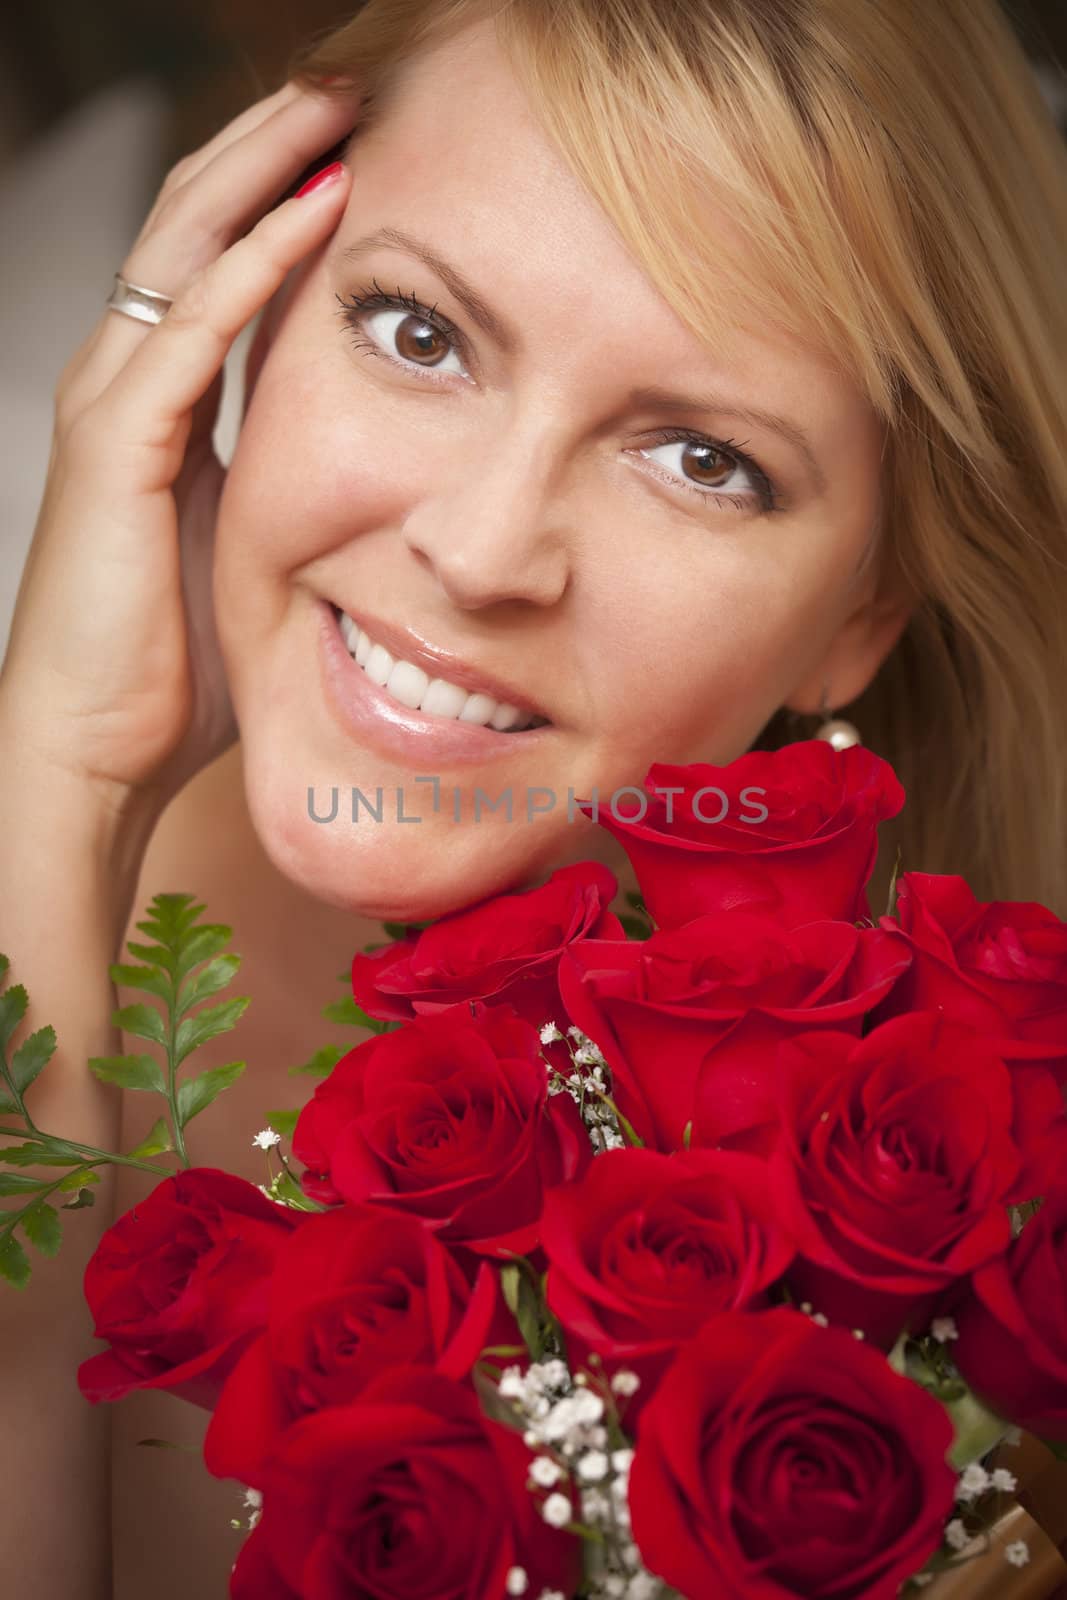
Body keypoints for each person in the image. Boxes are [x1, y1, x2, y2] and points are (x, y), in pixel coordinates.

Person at [0, 0, 1064, 1593]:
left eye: (703, 458)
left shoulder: (944, 1268)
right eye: (421, 334)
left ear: (862, 616)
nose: (487, 554)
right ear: (248, 316)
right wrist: (60, 777)